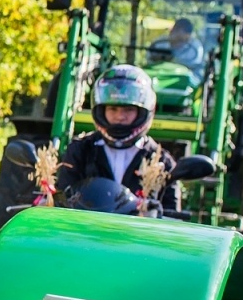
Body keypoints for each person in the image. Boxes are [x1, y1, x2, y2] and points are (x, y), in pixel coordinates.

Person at [57, 65, 177, 209]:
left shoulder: (160, 161)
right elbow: (62, 199)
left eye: (129, 109)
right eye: (113, 109)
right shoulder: (80, 150)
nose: (120, 116)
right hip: (88, 229)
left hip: (137, 231)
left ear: (142, 111)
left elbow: (172, 215)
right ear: (101, 110)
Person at [159, 17, 207, 82]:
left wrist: (173, 60)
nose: (175, 34)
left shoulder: (195, 47)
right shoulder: (161, 42)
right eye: (175, 30)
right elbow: (151, 58)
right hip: (161, 75)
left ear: (188, 35)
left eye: (180, 32)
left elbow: (192, 65)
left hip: (185, 80)